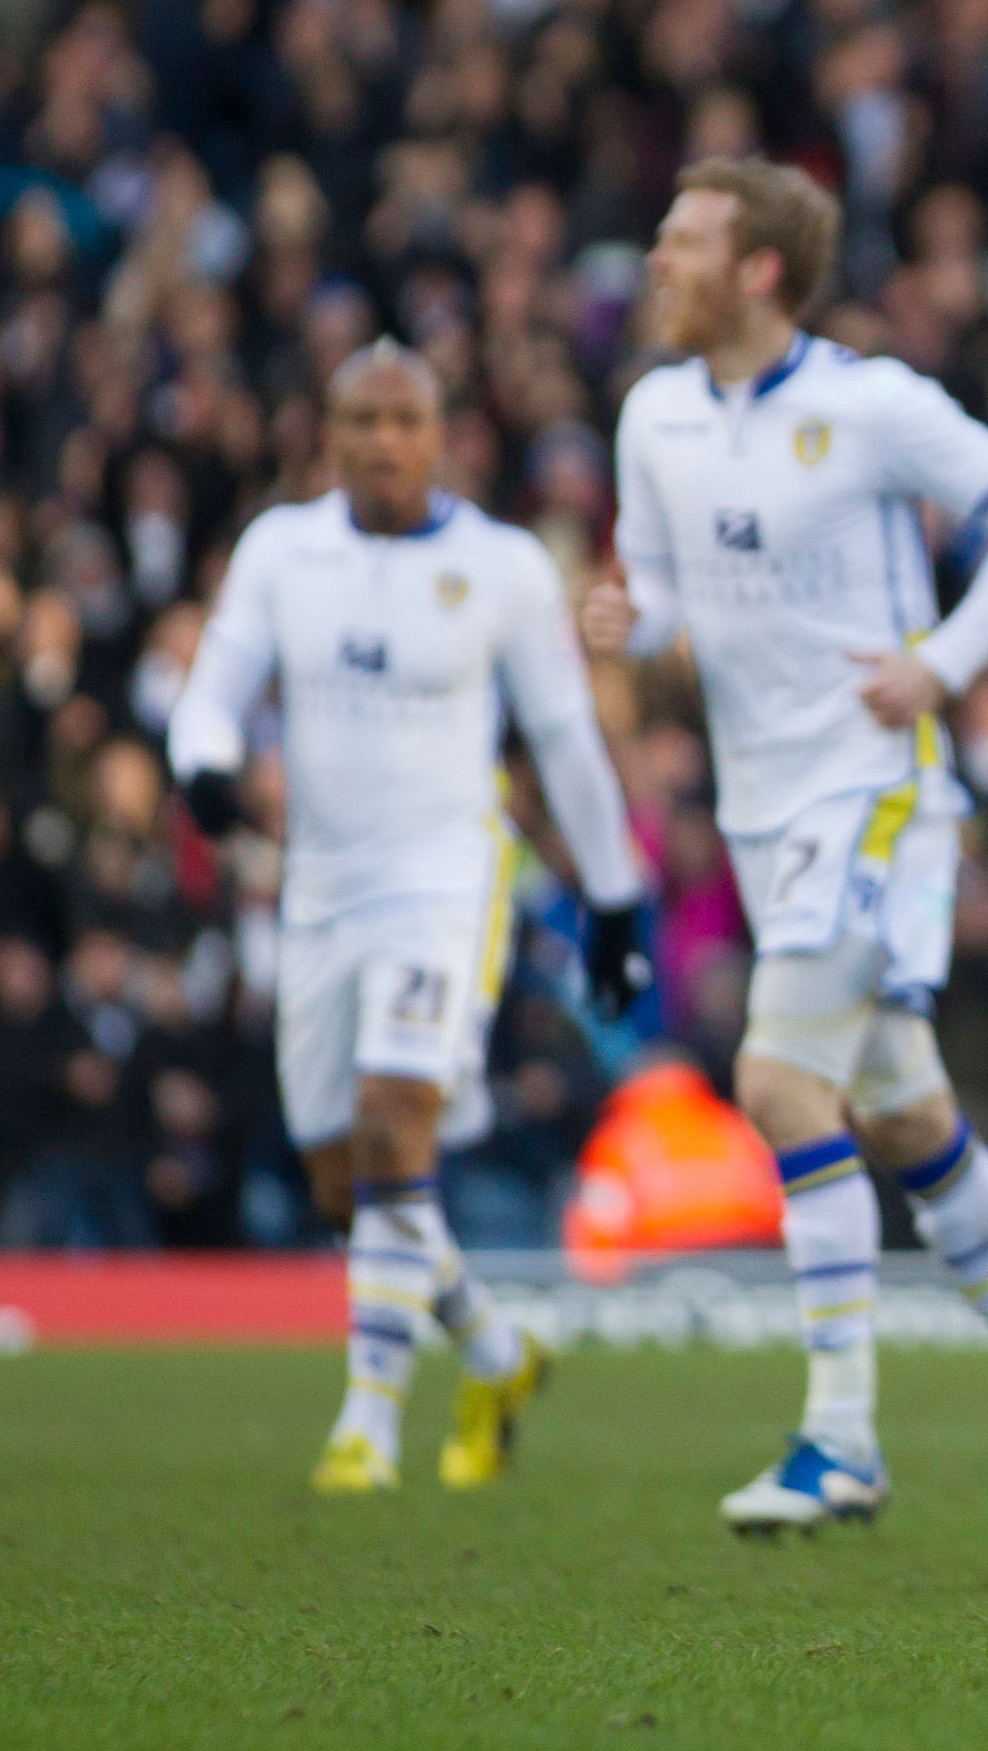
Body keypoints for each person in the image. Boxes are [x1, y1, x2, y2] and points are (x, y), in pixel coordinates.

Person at [580, 157, 988, 1539]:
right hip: (763, 813)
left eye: (683, 240)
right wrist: (627, 624)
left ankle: (839, 1437)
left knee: (775, 1081)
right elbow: (660, 597)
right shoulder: (653, 415)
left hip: (874, 793)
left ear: (758, 268)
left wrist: (943, 661)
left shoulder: (868, 403)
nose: (657, 260)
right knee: (903, 1116)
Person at [167, 341, 654, 1494]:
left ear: (442, 437)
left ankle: (368, 1426)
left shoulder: (502, 567)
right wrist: (207, 773)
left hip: (445, 881)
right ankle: (494, 1350)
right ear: (329, 434)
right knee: (343, 1180)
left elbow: (566, 741)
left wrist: (615, 899)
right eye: (362, 420)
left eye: (405, 420)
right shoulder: (283, 552)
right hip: (320, 890)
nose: (384, 441)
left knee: (395, 1121)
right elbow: (209, 699)